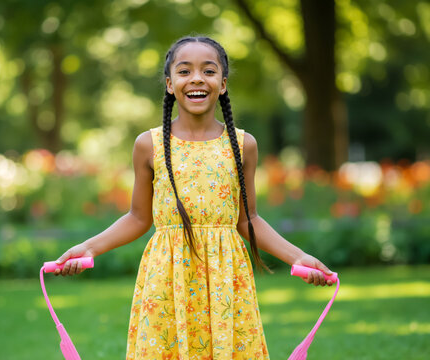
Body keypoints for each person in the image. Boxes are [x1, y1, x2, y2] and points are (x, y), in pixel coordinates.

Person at [54, 35, 334, 359]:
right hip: (166, 278)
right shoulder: (149, 145)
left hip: (225, 278)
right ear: (170, 84)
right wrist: (89, 247)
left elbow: (249, 219)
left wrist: (297, 257)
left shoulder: (243, 145)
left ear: (223, 84)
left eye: (209, 71)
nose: (197, 79)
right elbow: (138, 217)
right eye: (185, 71)